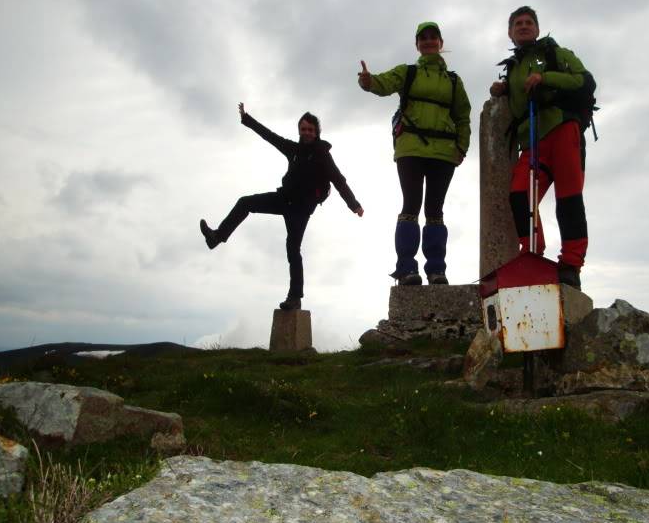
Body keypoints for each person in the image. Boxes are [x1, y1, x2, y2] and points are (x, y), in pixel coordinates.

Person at [199, 103, 363, 310]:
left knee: (292, 249)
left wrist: (354, 204)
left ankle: (295, 298)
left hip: (301, 209)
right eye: (303, 129)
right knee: (245, 203)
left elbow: (339, 180)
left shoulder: (322, 155)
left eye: (311, 130)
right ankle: (217, 237)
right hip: (283, 199)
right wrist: (247, 119)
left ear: (317, 132)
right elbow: (269, 136)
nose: (307, 133)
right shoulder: (293, 149)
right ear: (299, 130)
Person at [358, 21, 471, 285]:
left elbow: (463, 117)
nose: (429, 42)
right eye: (424, 38)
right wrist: (368, 81)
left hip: (444, 152)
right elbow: (383, 83)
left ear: (441, 43)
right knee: (411, 205)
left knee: (435, 209)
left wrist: (461, 147)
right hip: (410, 148)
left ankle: (436, 270)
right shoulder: (407, 72)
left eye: (433, 38)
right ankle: (407, 269)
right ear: (417, 45)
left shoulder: (454, 81)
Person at [490, 6, 594, 290]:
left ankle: (571, 265)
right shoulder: (512, 69)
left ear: (536, 28)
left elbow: (584, 80)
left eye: (528, 22)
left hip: (562, 128)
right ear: (510, 33)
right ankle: (532, 252)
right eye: (518, 24)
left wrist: (545, 77)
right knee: (520, 194)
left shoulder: (554, 53)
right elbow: (517, 99)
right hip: (534, 141)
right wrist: (503, 89)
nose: (524, 27)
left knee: (569, 198)